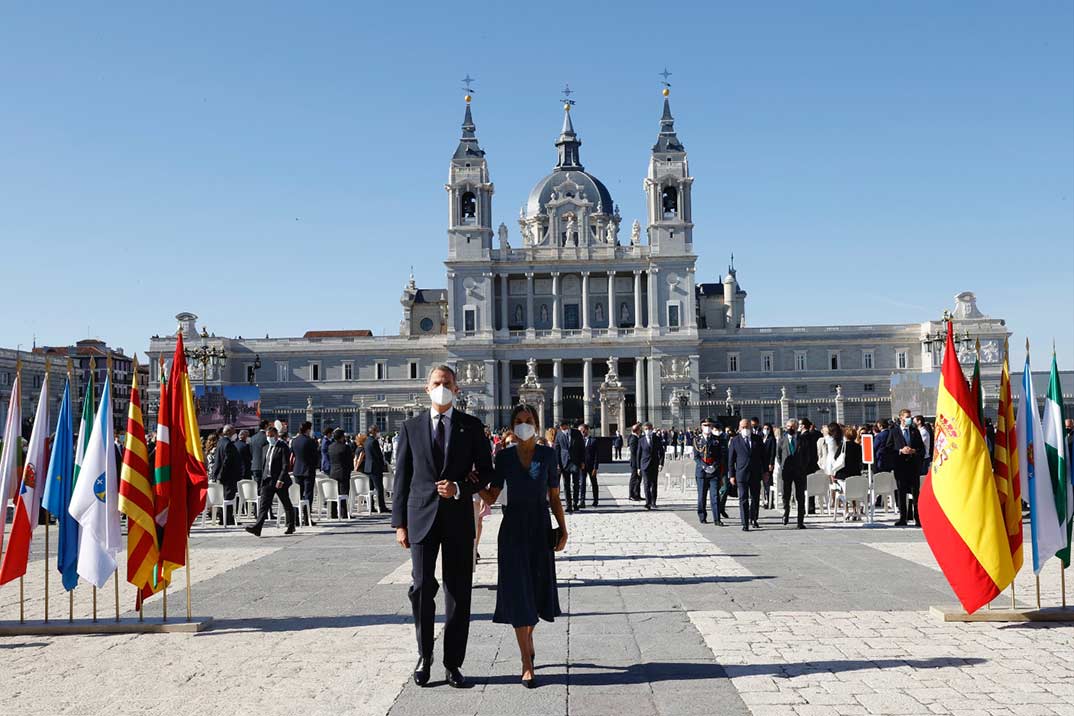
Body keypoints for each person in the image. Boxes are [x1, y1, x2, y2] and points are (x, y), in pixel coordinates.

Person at [391, 365, 494, 690]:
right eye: (437, 383)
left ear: (457, 389)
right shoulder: (411, 427)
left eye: (447, 383)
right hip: (420, 516)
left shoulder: (472, 426)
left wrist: (460, 487)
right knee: (421, 588)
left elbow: (486, 471)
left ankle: (453, 663)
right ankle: (425, 656)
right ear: (427, 388)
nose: (442, 387)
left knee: (458, 591)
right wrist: (399, 524)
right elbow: (402, 478)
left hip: (458, 518)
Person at [479, 404, 566, 688]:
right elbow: (492, 496)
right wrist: (473, 482)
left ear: (537, 424)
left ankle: (528, 636)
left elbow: (554, 496)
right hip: (513, 529)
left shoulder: (548, 455)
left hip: (540, 528)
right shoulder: (503, 458)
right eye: (518, 421)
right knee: (518, 593)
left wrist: (562, 529)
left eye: (528, 420)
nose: (523, 424)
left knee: (536, 590)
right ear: (511, 426)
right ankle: (526, 663)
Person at [245, 425, 296, 537]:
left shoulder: (283, 447)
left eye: (271, 436)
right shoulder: (265, 447)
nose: (269, 438)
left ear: (276, 435)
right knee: (264, 505)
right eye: (268, 436)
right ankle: (257, 528)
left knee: (286, 503)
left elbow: (285, 465)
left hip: (279, 481)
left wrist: (281, 479)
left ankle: (291, 525)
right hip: (267, 480)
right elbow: (265, 464)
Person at [728, 418, 765, 531]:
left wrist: (765, 472)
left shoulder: (757, 439)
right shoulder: (735, 440)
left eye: (747, 427)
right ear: (739, 428)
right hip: (741, 473)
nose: (745, 429)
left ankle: (753, 518)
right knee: (743, 498)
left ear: (751, 427)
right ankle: (744, 523)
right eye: (743, 427)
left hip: (755, 473)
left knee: (755, 498)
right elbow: (731, 459)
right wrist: (732, 475)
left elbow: (763, 457)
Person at [891, 409, 925, 526]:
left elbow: (922, 449)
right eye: (907, 417)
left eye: (910, 417)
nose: (909, 419)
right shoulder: (894, 432)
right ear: (901, 418)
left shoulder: (915, 431)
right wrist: (900, 451)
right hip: (900, 466)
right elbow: (888, 448)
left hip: (913, 466)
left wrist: (913, 450)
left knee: (916, 493)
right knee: (901, 493)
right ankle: (903, 518)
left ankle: (917, 518)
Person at [776, 419, 810, 528]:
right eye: (788, 426)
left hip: (799, 471)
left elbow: (807, 455)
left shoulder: (802, 440)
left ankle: (800, 521)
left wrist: (803, 466)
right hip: (786, 472)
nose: (790, 428)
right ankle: (786, 513)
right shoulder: (782, 440)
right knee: (786, 494)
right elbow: (778, 455)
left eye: (792, 426)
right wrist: (783, 466)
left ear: (796, 427)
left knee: (800, 496)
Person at [210, 424, 242, 525]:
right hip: (228, 476)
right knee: (228, 498)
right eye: (233, 431)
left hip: (221, 475)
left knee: (222, 498)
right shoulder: (228, 444)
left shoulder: (220, 442)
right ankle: (227, 519)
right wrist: (222, 474)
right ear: (228, 432)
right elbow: (226, 462)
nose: (235, 434)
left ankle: (223, 517)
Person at [693, 417, 723, 525]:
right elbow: (696, 457)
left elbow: (720, 456)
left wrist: (714, 466)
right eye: (705, 425)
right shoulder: (697, 440)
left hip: (713, 471)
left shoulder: (716, 439)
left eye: (709, 425)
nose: (707, 427)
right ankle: (702, 516)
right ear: (701, 427)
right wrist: (704, 466)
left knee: (715, 495)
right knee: (702, 496)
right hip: (702, 472)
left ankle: (717, 518)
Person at [291, 421, 320, 527]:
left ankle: (296, 518)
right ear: (308, 429)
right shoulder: (310, 441)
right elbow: (315, 456)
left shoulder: (294, 441)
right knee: (308, 495)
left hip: (297, 470)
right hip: (308, 470)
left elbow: (293, 454)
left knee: (298, 495)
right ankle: (307, 518)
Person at [554, 419, 584, 512]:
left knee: (576, 484)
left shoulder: (577, 433)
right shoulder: (559, 434)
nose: (561, 428)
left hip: (575, 461)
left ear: (567, 426)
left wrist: (582, 461)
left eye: (562, 426)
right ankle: (568, 505)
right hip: (564, 462)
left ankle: (575, 503)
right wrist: (558, 464)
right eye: (560, 427)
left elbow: (582, 447)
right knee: (566, 485)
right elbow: (557, 450)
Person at [359, 426, 389, 513]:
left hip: (368, 467)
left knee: (371, 488)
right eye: (377, 431)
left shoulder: (366, 441)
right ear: (374, 431)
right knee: (379, 488)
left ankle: (371, 506)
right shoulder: (374, 441)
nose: (378, 432)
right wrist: (383, 463)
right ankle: (381, 506)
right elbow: (378, 455)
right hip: (375, 467)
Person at [327, 428, 354, 517]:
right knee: (344, 493)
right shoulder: (345, 447)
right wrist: (351, 469)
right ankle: (343, 513)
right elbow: (350, 460)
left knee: (334, 493)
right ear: (342, 437)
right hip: (343, 471)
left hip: (333, 471)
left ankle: (333, 513)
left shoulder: (330, 447)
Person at [637, 421, 664, 510]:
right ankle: (647, 502)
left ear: (652, 429)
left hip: (654, 464)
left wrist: (661, 464)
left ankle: (653, 502)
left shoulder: (657, 438)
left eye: (649, 429)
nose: (647, 430)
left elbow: (661, 452)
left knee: (654, 484)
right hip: (644, 465)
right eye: (646, 429)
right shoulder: (641, 440)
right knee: (646, 484)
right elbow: (638, 454)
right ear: (643, 430)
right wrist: (638, 467)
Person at [579, 423, 600, 508]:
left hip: (591, 466)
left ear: (587, 430)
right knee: (582, 484)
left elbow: (596, 455)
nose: (582, 432)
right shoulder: (579, 441)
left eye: (583, 430)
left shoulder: (593, 441)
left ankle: (595, 500)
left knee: (594, 483)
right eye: (580, 431)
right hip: (582, 466)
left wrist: (595, 467)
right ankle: (582, 501)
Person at [761, 423, 776, 509]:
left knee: (768, 483)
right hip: (762, 463)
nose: (765, 430)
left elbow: (772, 452)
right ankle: (765, 500)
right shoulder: (762, 438)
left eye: (767, 428)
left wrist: (771, 463)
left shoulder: (771, 439)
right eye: (764, 428)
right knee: (764, 483)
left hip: (768, 463)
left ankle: (770, 501)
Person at [627, 423, 642, 501]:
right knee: (634, 478)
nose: (641, 431)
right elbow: (634, 452)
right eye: (640, 429)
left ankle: (637, 494)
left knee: (638, 479)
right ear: (637, 431)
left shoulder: (637, 437)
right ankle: (631, 494)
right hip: (635, 462)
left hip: (638, 462)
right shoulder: (633, 438)